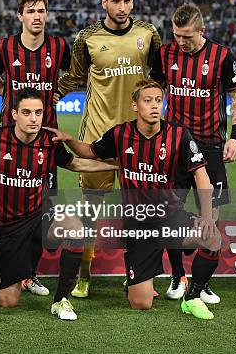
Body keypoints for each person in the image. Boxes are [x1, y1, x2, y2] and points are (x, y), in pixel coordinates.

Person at [47, 79, 222, 320]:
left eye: (158, 101)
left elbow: (201, 176)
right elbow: (89, 151)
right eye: (147, 101)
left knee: (212, 238)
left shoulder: (179, 135)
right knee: (141, 303)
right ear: (135, 105)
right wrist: (68, 139)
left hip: (171, 217)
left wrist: (205, 217)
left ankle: (191, 297)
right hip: (139, 225)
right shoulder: (120, 134)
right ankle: (141, 277)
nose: (154, 106)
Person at [0, 87, 118, 320]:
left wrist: (118, 165)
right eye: (27, 112)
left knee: (75, 228)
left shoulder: (49, 142)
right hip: (7, 225)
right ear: (14, 114)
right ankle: (1, 270)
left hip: (39, 217)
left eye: (38, 113)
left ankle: (61, 300)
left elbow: (76, 164)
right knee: (8, 302)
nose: (33, 119)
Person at [57, 0, 162, 298]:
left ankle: (140, 274)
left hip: (140, 137)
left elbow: (160, 78)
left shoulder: (148, 34)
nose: (122, 7)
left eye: (127, 1)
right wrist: (43, 98)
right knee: (91, 210)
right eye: (116, 1)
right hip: (98, 135)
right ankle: (84, 277)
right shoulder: (87, 38)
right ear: (104, 2)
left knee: (143, 211)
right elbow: (73, 78)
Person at [150, 3, 236, 303]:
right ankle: (178, 276)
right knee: (169, 216)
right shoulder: (165, 54)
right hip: (174, 146)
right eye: (176, 35)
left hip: (211, 148)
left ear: (201, 30)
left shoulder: (222, 56)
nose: (180, 41)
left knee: (210, 219)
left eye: (186, 36)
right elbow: (152, 92)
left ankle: (201, 284)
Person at [0, 0, 72, 296]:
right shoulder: (4, 46)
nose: (37, 16)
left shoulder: (59, 46)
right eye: (31, 11)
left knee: (43, 206)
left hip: (45, 140)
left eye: (42, 10)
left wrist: (59, 91)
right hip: (7, 140)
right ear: (20, 15)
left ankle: (30, 273)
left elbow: (76, 72)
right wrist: (6, 96)